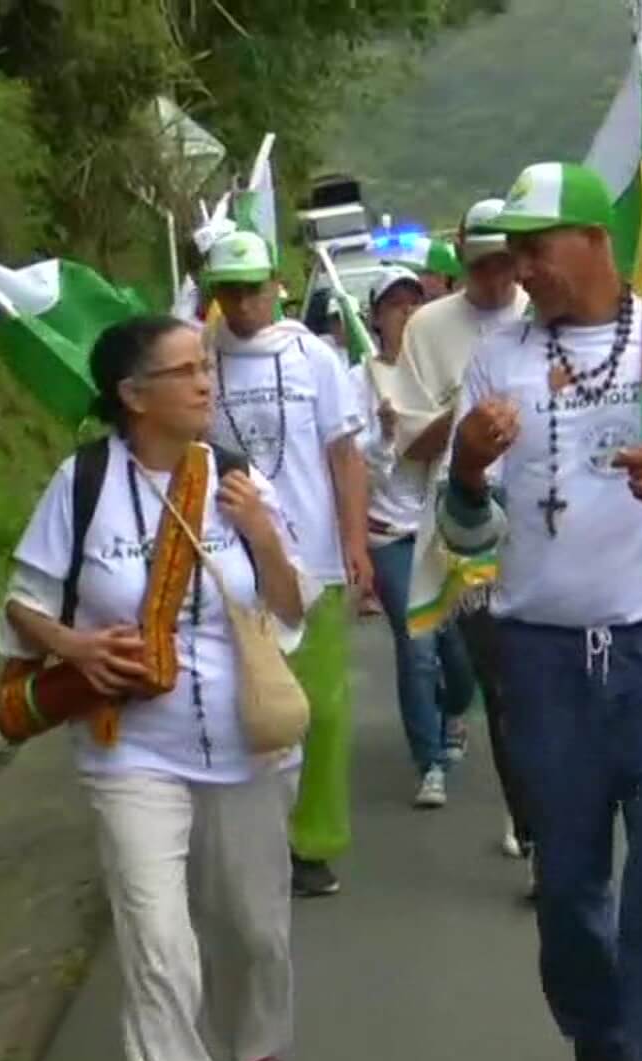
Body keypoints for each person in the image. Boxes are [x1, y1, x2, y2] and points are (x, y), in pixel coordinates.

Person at [441, 161, 642, 1061]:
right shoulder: (499, 362)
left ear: (595, 243)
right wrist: (466, 470)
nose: (523, 269)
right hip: (540, 660)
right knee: (570, 890)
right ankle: (604, 1043)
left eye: (536, 249)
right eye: (512, 253)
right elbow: (470, 529)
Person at [0, 314, 314, 1061]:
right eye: (186, 370)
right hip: (132, 752)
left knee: (254, 936)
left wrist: (261, 534)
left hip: (248, 746)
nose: (207, 380)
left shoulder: (238, 479)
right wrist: (75, 648)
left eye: (207, 366)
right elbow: (22, 604)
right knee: (159, 947)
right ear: (134, 395)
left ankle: (251, 1054)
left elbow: (294, 607)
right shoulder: (84, 484)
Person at [202, 230, 371, 899]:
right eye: (229, 291)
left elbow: (345, 455)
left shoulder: (314, 358)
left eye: (253, 287)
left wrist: (354, 541)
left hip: (314, 561)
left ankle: (312, 842)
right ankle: (252, 838)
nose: (244, 303)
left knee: (321, 710)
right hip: (229, 563)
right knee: (245, 705)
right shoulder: (197, 360)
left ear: (277, 283)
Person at [392, 197, 533, 864]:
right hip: (463, 523)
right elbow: (412, 448)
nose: (498, 278)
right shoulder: (428, 328)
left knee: (549, 677)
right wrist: (467, 417)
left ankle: (550, 804)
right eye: (483, 266)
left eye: (508, 262)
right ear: (461, 258)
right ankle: (529, 821)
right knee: (502, 678)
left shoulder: (543, 314)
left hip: (544, 520)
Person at [347, 266, 477, 808]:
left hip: (444, 529)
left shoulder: (441, 368)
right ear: (376, 316)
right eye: (395, 306)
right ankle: (430, 763)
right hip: (392, 535)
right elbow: (357, 470)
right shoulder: (360, 380)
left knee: (462, 656)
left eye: (414, 303)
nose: (406, 313)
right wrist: (383, 434)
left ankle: (450, 714)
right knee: (417, 643)